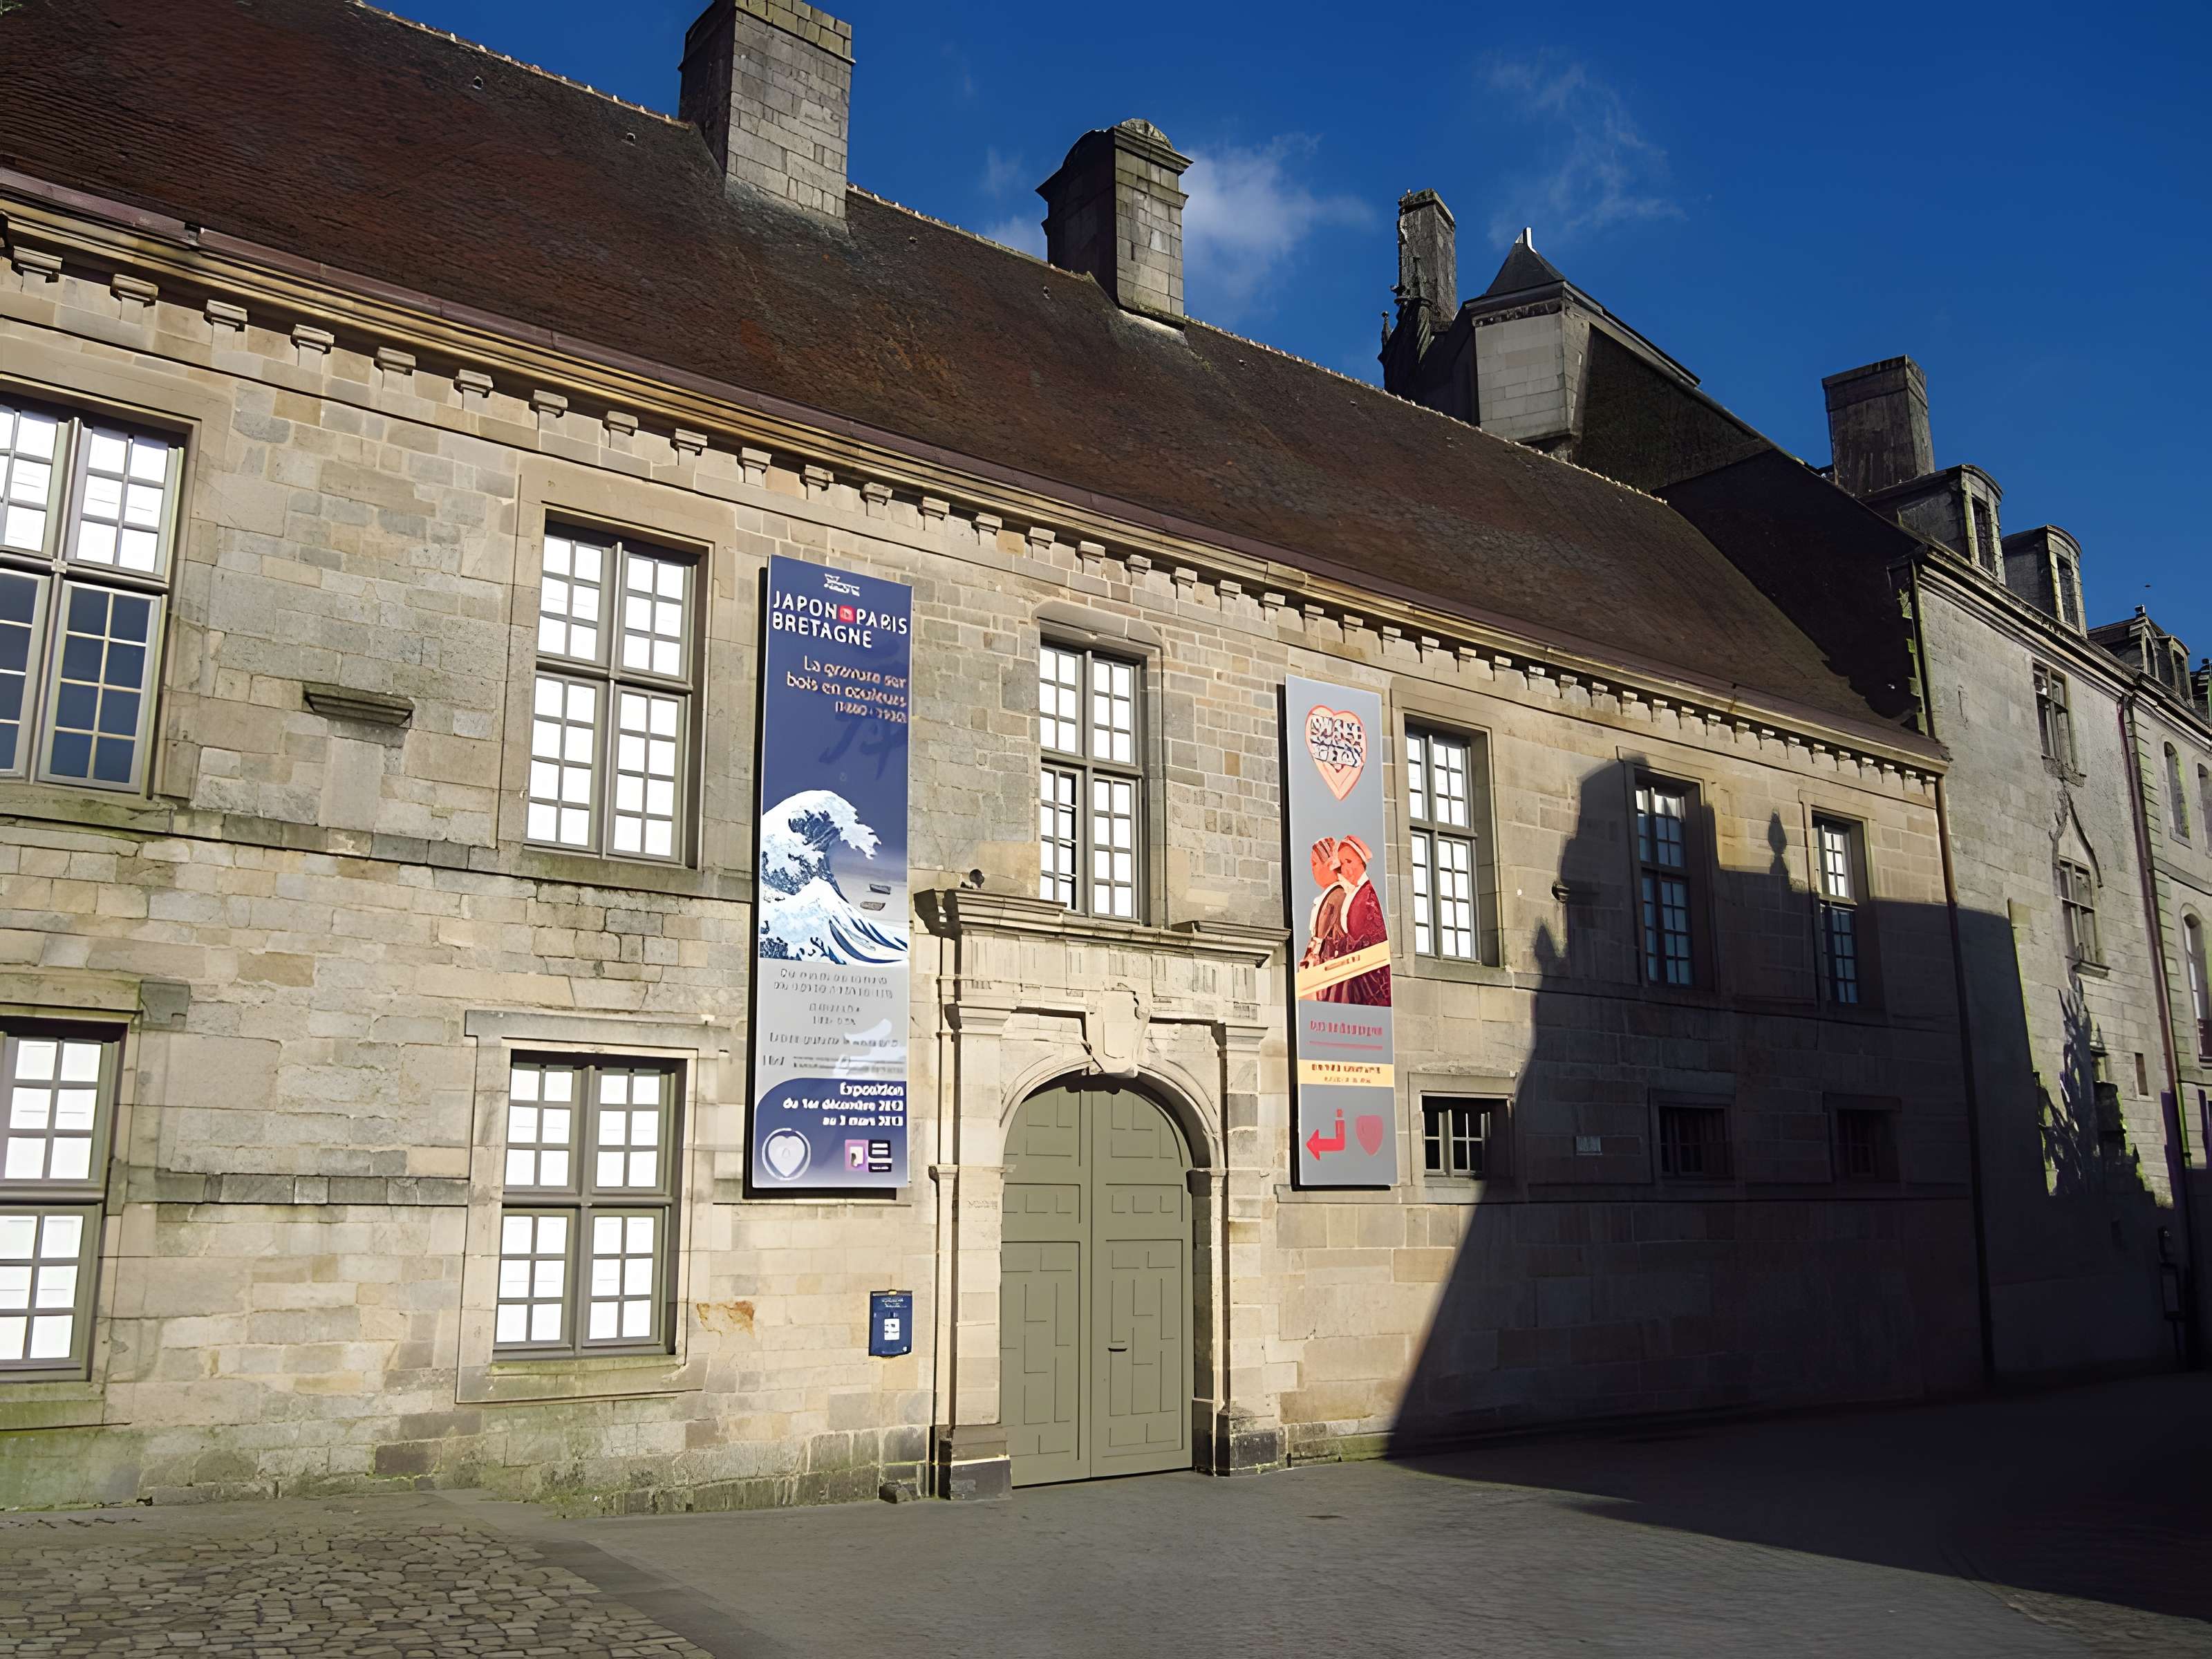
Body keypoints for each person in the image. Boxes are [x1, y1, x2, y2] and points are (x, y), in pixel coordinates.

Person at [1318, 834, 1391, 1006]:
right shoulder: (1352, 892)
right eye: (1342, 863)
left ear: (1362, 862)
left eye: (1349, 862)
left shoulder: (1369, 897)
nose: (1344, 869)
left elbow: (1375, 943)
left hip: (1367, 984)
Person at [1300, 837, 1346, 971]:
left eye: (1315, 863)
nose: (1312, 869)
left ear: (1330, 864)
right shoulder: (1332, 896)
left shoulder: (1337, 897)